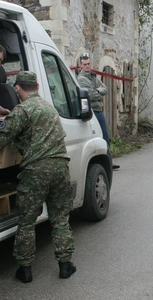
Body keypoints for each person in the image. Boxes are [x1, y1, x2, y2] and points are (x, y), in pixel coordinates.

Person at [0, 71, 76, 283]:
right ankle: (65, 265)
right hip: (60, 167)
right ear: (38, 86)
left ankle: (25, 271)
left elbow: (1, 139)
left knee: (27, 222)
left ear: (17, 88)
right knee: (60, 219)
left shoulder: (22, 111)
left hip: (36, 172)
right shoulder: (49, 108)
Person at [77, 53, 120, 169]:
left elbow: (105, 90)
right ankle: (100, 164)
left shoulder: (94, 76)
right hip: (92, 112)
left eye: (89, 63)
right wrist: (98, 91)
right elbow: (90, 95)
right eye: (85, 64)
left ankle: (108, 163)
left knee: (105, 138)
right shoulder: (81, 79)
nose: (87, 66)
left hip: (99, 111)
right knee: (97, 139)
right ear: (81, 66)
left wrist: (97, 91)